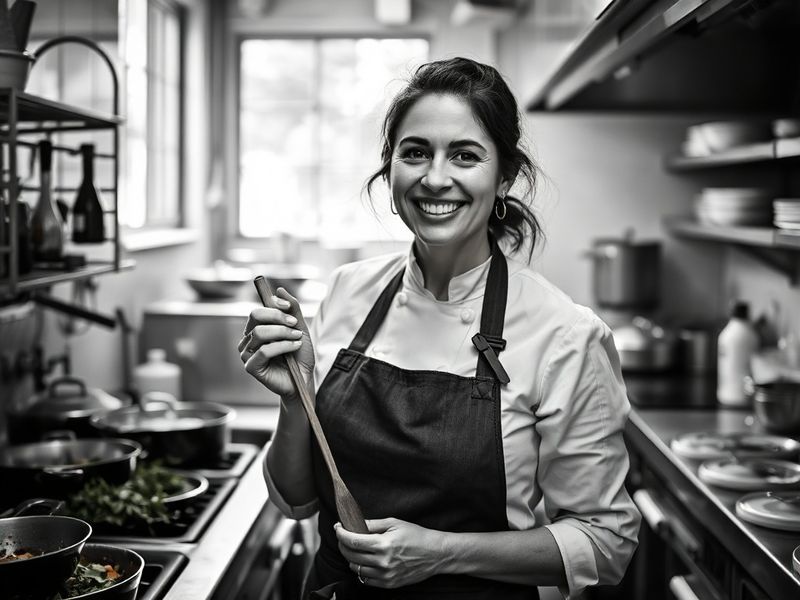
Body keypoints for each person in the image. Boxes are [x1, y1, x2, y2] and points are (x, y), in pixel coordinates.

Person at [238, 56, 641, 600]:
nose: (435, 178)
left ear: (504, 178)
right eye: (415, 152)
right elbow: (297, 499)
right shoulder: (345, 291)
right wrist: (296, 401)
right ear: (390, 169)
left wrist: (441, 553)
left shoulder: (564, 334)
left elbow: (605, 542)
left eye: (465, 156)